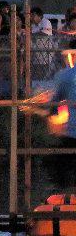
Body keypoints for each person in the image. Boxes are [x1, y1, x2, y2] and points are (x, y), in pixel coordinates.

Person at [46, 60, 76, 192]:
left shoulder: (66, 75)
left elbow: (55, 102)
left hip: (73, 133)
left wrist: (51, 113)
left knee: (58, 161)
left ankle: (62, 193)